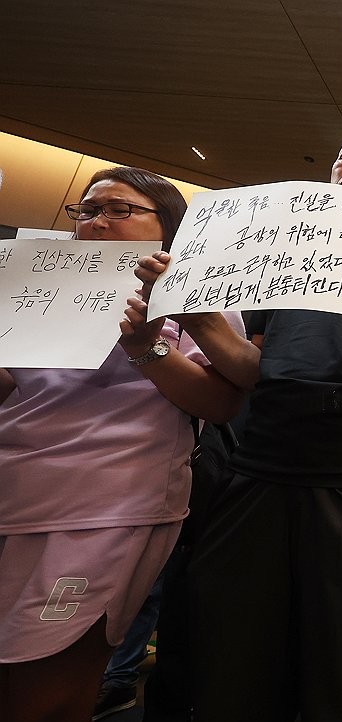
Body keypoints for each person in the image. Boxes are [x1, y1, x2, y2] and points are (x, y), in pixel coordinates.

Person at [134, 126, 342, 721]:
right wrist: (191, 307)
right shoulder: (282, 258)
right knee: (241, 639)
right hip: (268, 462)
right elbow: (247, 369)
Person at [0, 167, 245, 722]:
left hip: (107, 505)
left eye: (119, 209)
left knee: (48, 683)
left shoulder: (191, 294)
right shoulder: (40, 285)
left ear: (167, 228)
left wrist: (145, 347)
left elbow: (220, 403)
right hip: (14, 489)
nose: (97, 221)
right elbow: (13, 388)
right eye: (87, 210)